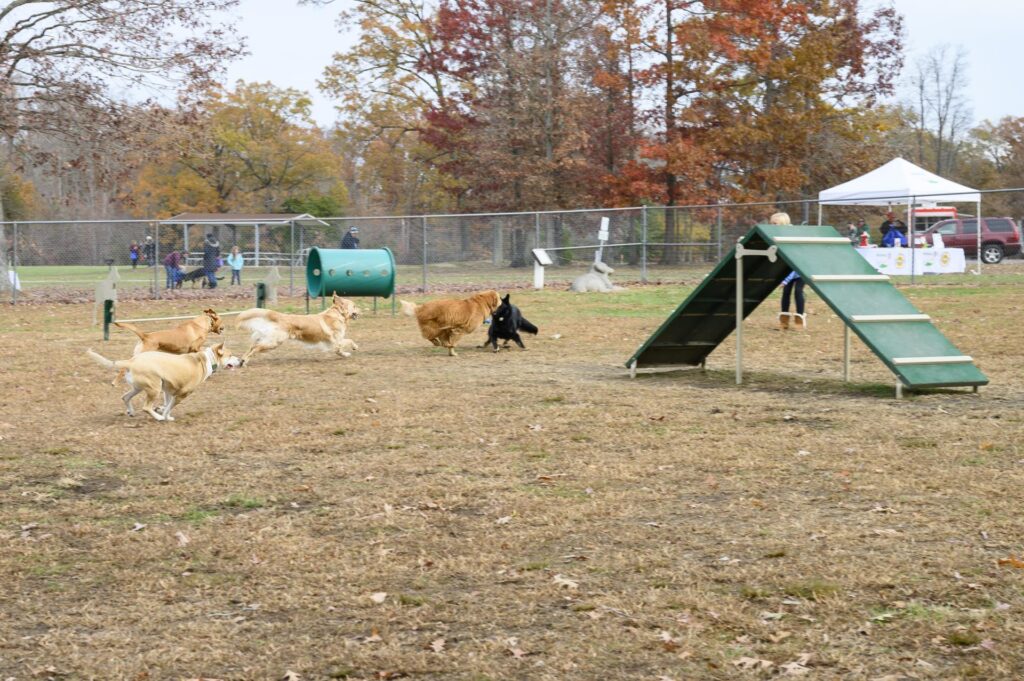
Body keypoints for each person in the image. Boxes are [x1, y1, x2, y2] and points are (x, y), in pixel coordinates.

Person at [769, 212, 806, 330]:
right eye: (771, 224)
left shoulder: (791, 238)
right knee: (786, 292)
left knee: (798, 291)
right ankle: (784, 321)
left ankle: (799, 320)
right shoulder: (778, 238)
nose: (772, 226)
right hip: (789, 270)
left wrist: (785, 280)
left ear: (783, 223)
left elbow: (795, 264)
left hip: (800, 270)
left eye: (775, 224)